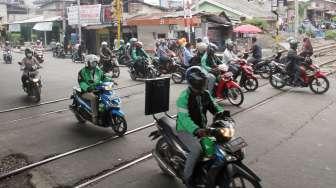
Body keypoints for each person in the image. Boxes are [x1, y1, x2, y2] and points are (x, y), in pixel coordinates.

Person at [176, 66, 223, 187]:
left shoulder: (205, 94)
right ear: (194, 83)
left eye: (204, 82)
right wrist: (196, 130)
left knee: (219, 144)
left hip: (202, 128)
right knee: (197, 150)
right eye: (201, 83)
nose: (203, 85)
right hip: (185, 130)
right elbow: (184, 118)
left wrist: (222, 114)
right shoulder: (183, 98)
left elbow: (214, 107)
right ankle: (187, 177)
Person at [77, 55, 112, 124]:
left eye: (95, 63)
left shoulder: (98, 70)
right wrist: (87, 88)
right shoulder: (82, 71)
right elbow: (81, 82)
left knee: (107, 96)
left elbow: (104, 77)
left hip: (97, 89)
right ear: (88, 63)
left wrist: (111, 80)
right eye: (93, 63)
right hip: (86, 91)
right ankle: (95, 117)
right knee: (94, 98)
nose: (95, 64)